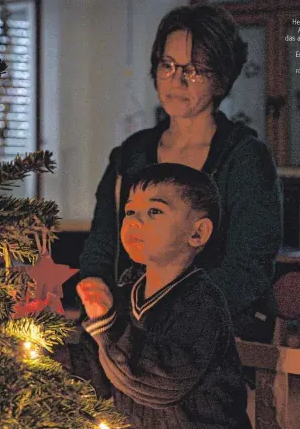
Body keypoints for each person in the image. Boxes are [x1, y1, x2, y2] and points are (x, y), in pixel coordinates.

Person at [78, 4, 283, 344]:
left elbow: (249, 268)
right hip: (124, 328)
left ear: (220, 78)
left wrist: (174, 315)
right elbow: (101, 245)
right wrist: (96, 289)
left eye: (194, 70)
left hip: (208, 337)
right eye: (168, 65)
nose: (176, 80)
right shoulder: (132, 154)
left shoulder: (245, 157)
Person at [77, 163, 251, 429]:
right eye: (130, 211)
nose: (134, 221)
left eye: (154, 211)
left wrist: (107, 326)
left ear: (197, 232)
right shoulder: (124, 296)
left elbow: (162, 384)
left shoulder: (201, 303)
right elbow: (93, 374)